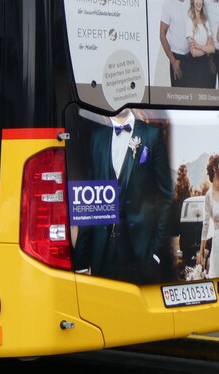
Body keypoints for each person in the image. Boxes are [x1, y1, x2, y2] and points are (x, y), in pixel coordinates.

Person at [73, 108, 173, 285]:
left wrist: (156, 252)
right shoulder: (97, 138)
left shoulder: (152, 135)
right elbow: (89, 199)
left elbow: (166, 196)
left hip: (140, 253)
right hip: (102, 253)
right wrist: (81, 262)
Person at [158, 0, 189, 86]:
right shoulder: (168, 4)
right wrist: (173, 61)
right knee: (178, 98)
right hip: (177, 59)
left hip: (190, 58)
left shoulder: (188, 4)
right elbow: (162, 35)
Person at [183, 0, 216, 87]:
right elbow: (194, 53)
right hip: (195, 68)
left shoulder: (206, 21)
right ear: (193, 0)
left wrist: (199, 46)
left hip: (207, 67)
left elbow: (213, 49)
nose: (198, 2)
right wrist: (206, 47)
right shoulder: (189, 21)